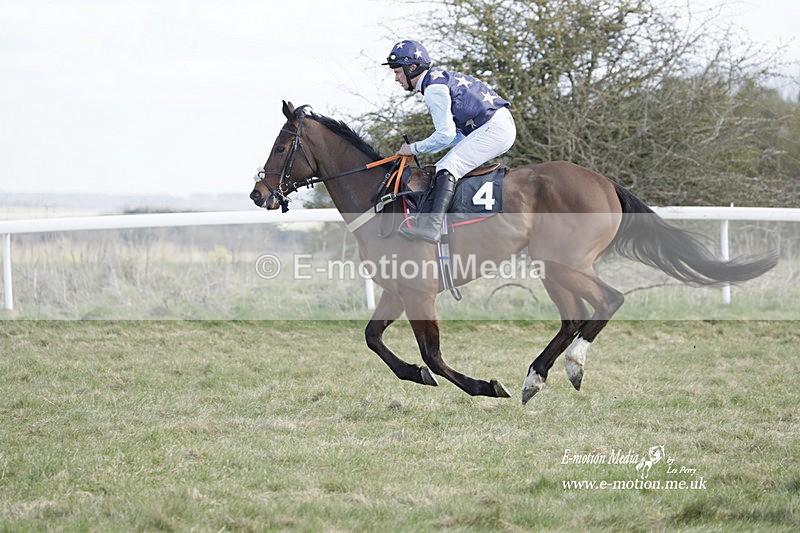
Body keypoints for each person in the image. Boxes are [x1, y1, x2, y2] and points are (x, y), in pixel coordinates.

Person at [383, 39, 516, 244]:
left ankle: (432, 228)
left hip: (495, 128)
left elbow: (445, 135)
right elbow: (455, 135)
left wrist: (413, 148)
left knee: (447, 166)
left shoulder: (434, 90)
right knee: (442, 167)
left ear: (412, 67)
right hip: (494, 125)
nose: (396, 79)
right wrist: (415, 149)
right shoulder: (436, 81)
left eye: (397, 72)